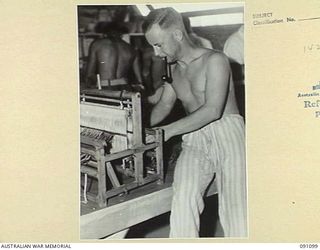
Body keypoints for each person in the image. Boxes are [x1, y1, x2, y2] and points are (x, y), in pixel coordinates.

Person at [143, 8, 247, 238]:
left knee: (236, 213)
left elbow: (212, 110)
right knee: (182, 200)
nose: (155, 52)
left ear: (178, 35)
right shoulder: (172, 68)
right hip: (194, 137)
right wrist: (139, 131)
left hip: (227, 131)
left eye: (158, 44)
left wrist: (165, 131)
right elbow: (164, 105)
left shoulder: (215, 60)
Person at [84, 21, 143, 90]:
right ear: (121, 34)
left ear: (106, 32)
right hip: (124, 88)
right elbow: (139, 80)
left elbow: (89, 75)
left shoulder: (97, 44)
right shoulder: (131, 48)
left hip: (105, 88)